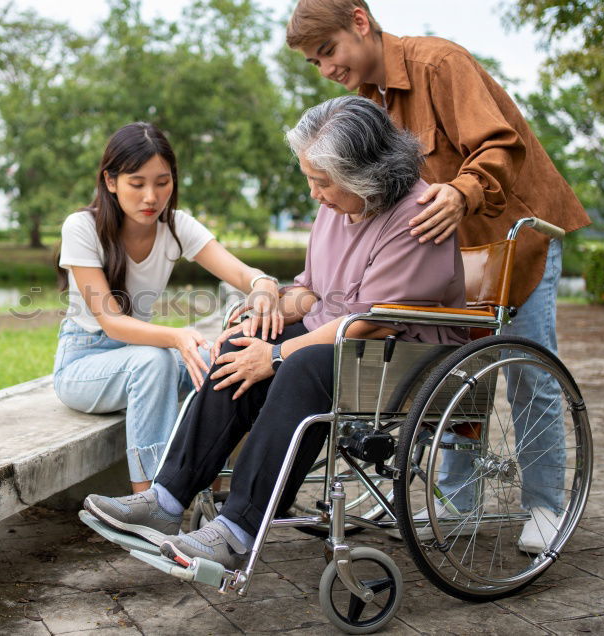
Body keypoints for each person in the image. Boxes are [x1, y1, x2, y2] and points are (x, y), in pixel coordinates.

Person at [84, 96, 468, 567]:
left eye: (321, 182)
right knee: (240, 343)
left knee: (297, 363)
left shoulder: (415, 216)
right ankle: (166, 499)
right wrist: (268, 306)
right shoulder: (338, 204)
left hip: (399, 354)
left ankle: (237, 528)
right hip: (342, 341)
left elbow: (374, 319)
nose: (313, 194)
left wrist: (278, 355)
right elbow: (313, 293)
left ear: (364, 176)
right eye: (310, 178)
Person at [284, 0, 592, 553]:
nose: (325, 67)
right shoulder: (366, 109)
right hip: (439, 264)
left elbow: (502, 145)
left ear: (360, 22)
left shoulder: (439, 64)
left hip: (510, 243)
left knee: (529, 375)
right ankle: (456, 502)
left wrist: (461, 191)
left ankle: (547, 506)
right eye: (314, 61)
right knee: (448, 372)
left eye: (329, 50)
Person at [54, 122, 283, 494]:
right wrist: (177, 337)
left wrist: (262, 286)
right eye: (137, 183)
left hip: (141, 356)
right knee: (153, 360)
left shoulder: (176, 227)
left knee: (228, 361)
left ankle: (227, 484)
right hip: (83, 364)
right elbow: (111, 321)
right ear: (110, 181)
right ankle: (150, 499)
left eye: (162, 182)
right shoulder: (82, 227)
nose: (151, 196)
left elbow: (243, 272)